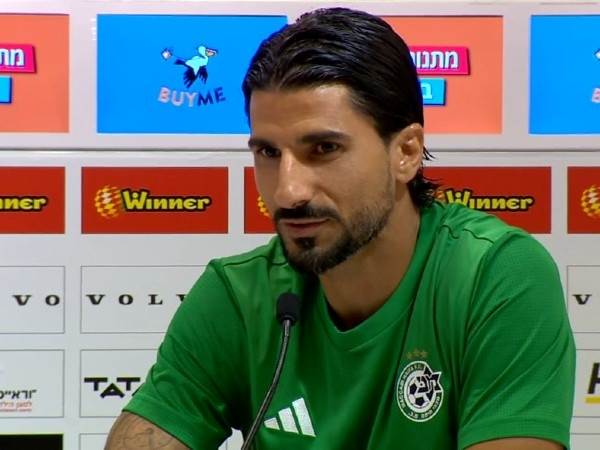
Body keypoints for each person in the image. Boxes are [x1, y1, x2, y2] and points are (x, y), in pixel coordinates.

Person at [105, 7, 575, 450]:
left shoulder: (495, 274)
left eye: (324, 149)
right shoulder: (238, 294)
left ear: (406, 152)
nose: (288, 191)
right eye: (268, 153)